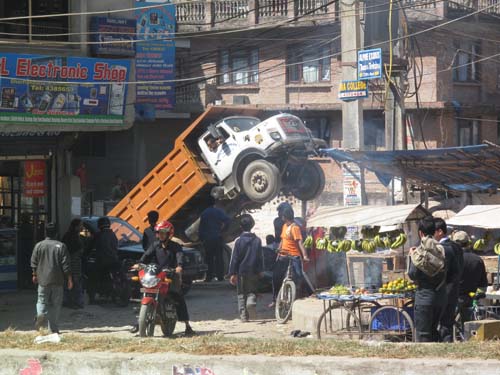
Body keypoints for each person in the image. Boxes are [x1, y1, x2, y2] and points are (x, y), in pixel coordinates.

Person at [133, 220, 194, 335]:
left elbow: (179, 257)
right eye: (158, 233)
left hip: (171, 275)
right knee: (145, 292)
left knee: (178, 297)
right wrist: (139, 263)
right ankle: (139, 322)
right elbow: (146, 256)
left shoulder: (176, 247)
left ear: (169, 234)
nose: (160, 235)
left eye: (163, 233)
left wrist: (179, 266)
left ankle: (187, 325)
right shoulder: (155, 245)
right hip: (156, 274)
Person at [408, 217, 447, 342]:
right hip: (440, 297)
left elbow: (413, 274)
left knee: (423, 334)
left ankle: (425, 360)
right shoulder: (441, 249)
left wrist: (411, 257)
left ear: (420, 233)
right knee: (434, 331)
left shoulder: (419, 251)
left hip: (424, 298)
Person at [31, 222, 73, 334]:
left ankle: (41, 314)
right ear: (57, 233)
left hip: (43, 279)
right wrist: (69, 279)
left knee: (41, 300)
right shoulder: (61, 246)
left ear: (45, 233)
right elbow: (66, 265)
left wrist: (34, 275)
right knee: (56, 304)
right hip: (57, 280)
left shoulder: (38, 245)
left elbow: (34, 262)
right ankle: (53, 329)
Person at [270, 207, 311, 308]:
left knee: (299, 276)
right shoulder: (285, 226)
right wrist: (278, 250)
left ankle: (307, 295)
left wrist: (305, 256)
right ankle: (275, 299)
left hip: (294, 256)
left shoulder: (295, 228)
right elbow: (283, 240)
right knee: (276, 277)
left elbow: (300, 243)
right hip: (283, 255)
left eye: (282, 216)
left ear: (284, 217)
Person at [228, 214, 263, 322]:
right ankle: (251, 302)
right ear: (252, 225)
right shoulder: (257, 240)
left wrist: (232, 273)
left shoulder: (238, 241)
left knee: (241, 294)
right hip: (253, 271)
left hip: (241, 272)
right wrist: (261, 270)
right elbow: (260, 257)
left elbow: (235, 258)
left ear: (241, 227)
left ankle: (244, 317)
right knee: (252, 291)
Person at [434, 217, 462, 342]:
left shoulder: (442, 248)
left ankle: (444, 346)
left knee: (442, 324)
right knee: (447, 323)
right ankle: (447, 345)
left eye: (432, 232)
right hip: (454, 289)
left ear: (439, 231)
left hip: (444, 290)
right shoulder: (457, 247)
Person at [451, 230, 488, 323]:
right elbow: (483, 282)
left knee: (447, 322)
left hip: (456, 296)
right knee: (468, 325)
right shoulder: (477, 259)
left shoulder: (454, 259)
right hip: (472, 296)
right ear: (468, 242)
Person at [198, 196, 230, 282]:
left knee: (209, 258)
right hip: (217, 237)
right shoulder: (218, 212)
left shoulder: (204, 213)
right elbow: (227, 220)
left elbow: (201, 228)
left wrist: (201, 238)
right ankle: (220, 277)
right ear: (214, 203)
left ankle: (209, 277)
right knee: (219, 258)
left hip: (208, 239)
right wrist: (223, 230)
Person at [90, 216, 120, 304]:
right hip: (114, 260)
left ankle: (92, 298)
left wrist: (85, 254)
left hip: (102, 262)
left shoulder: (98, 235)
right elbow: (115, 247)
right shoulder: (113, 234)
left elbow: (90, 247)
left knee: (92, 277)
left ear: (99, 225)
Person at [62, 218, 84, 309]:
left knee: (69, 282)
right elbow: (77, 250)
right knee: (75, 283)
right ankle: (75, 302)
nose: (82, 227)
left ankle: (69, 301)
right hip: (73, 263)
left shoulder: (69, 236)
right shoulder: (73, 237)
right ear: (76, 227)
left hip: (69, 263)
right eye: (81, 225)